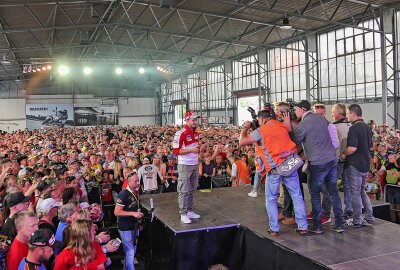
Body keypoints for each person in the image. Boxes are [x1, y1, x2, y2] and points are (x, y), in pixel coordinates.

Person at [239, 108, 308, 236]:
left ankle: (274, 228)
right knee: (297, 196)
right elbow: (289, 130)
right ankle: (303, 226)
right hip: (290, 164)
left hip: (275, 168)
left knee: (270, 199)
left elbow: (242, 142)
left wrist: (245, 128)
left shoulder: (261, 130)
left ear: (262, 119)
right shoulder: (281, 125)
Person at [293, 100, 344, 234]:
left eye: (296, 109)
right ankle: (339, 224)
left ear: (303, 110)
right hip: (332, 159)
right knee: (333, 192)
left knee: (315, 193)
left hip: (317, 162)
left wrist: (289, 126)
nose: (295, 112)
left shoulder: (305, 123)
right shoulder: (321, 119)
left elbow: (295, 140)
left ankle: (317, 225)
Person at [341, 104, 374, 227]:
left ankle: (357, 220)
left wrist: (343, 154)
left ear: (354, 114)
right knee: (362, 191)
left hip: (354, 164)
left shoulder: (354, 128)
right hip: (365, 164)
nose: (347, 116)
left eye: (349, 114)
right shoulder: (367, 127)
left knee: (355, 193)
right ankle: (369, 217)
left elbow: (353, 148)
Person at [173, 111, 202, 224]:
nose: (195, 122)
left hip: (194, 164)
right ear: (187, 120)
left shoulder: (196, 134)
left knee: (192, 189)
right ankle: (183, 213)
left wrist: (200, 148)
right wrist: (192, 150)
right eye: (193, 120)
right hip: (185, 165)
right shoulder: (180, 133)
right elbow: (176, 151)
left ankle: (189, 210)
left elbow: (195, 148)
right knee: (184, 190)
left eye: (196, 120)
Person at [114, 171, 144, 270]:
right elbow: (117, 212)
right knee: (130, 252)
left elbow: (135, 207)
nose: (137, 183)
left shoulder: (136, 191)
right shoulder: (123, 194)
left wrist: (139, 218)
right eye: (135, 181)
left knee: (132, 250)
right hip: (125, 227)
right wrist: (133, 213)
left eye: (138, 180)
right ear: (128, 182)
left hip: (134, 225)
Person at [332, 103, 353, 219]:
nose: (332, 114)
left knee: (331, 185)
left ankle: (334, 211)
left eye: (333, 112)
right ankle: (349, 209)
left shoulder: (334, 127)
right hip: (350, 159)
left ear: (339, 113)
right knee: (347, 185)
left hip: (338, 159)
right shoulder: (351, 126)